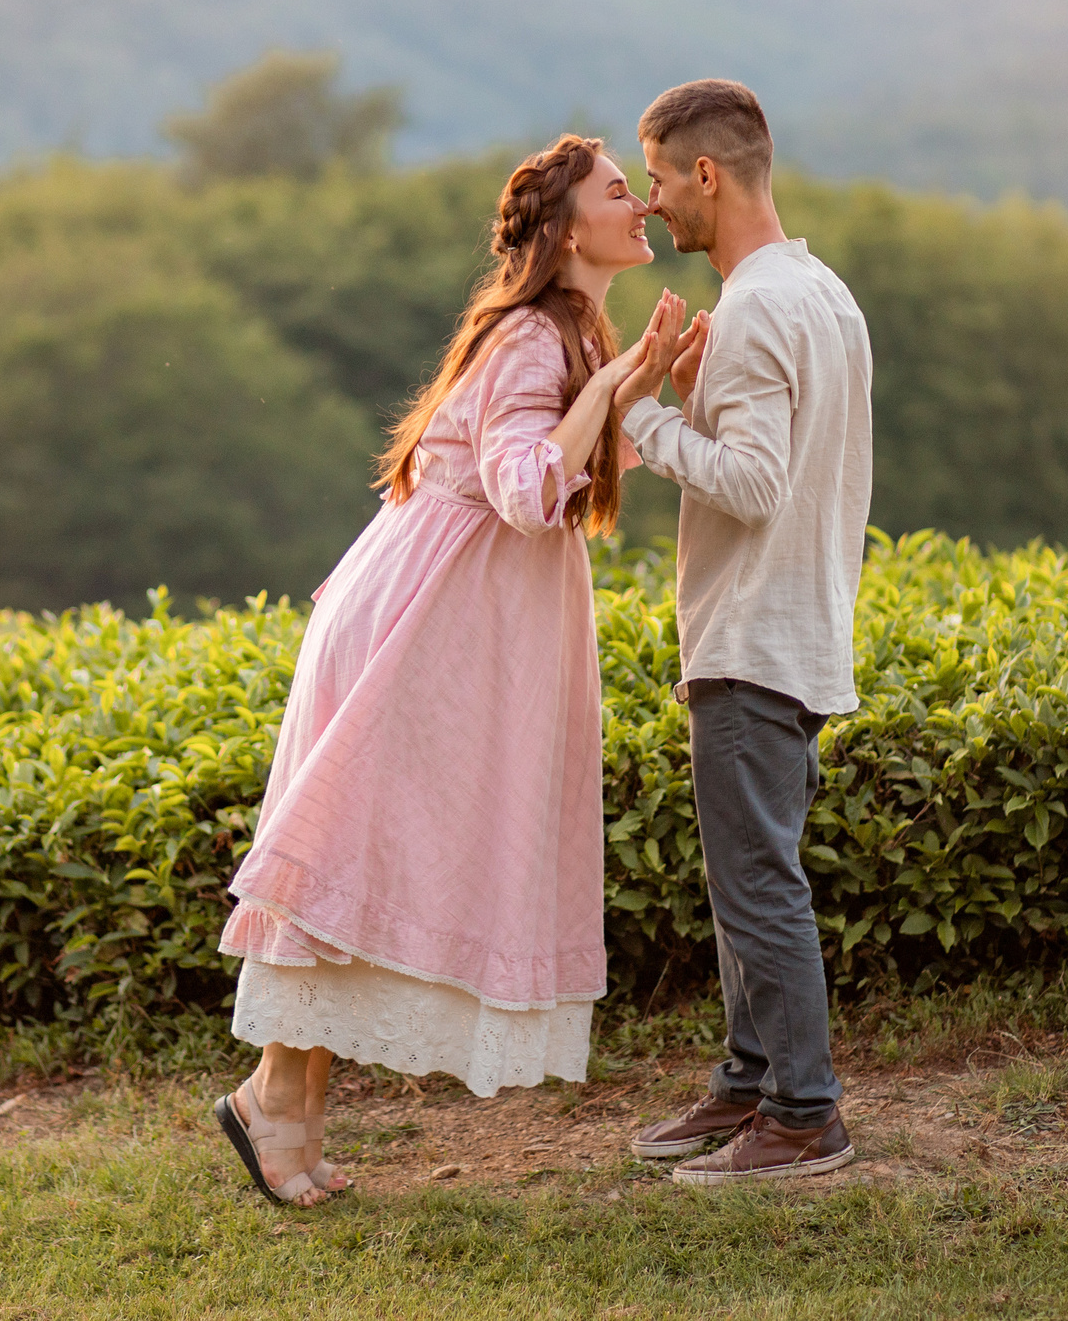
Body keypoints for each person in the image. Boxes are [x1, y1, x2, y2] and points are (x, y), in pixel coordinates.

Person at [210, 133, 685, 1208]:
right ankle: (275, 1106)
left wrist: (643, 386)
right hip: (420, 634)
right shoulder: (533, 336)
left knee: (373, 860)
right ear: (568, 228)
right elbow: (526, 490)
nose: (640, 206)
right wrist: (613, 382)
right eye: (621, 191)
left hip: (438, 626)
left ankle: (275, 1106)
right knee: (357, 855)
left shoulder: (565, 329)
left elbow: (578, 461)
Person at [619, 79, 874, 1185]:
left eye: (661, 179)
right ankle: (745, 1083)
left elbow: (757, 484)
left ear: (707, 175)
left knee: (758, 885)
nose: (651, 203)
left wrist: (643, 418)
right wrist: (696, 393)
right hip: (798, 630)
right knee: (746, 880)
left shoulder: (764, 304)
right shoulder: (819, 290)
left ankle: (805, 1115)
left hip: (751, 641)